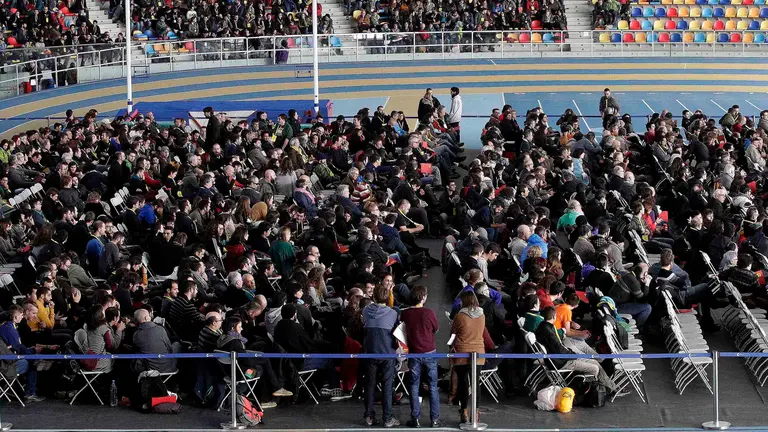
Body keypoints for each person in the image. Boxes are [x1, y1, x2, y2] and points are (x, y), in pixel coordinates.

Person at [536, 306, 627, 398]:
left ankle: (611, 388)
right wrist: (573, 354)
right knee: (594, 368)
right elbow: (560, 350)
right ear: (554, 317)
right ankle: (589, 393)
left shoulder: (542, 327)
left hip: (558, 359)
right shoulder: (549, 332)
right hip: (562, 361)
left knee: (595, 362)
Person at [399, 285, 441, 427]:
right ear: (423, 297)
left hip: (414, 353)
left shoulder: (406, 313)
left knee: (414, 385)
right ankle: (435, 420)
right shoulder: (429, 313)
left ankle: (415, 418)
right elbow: (436, 328)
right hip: (429, 352)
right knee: (433, 386)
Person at [362, 284, 399, 428]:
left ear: (374, 296)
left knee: (370, 385)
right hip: (387, 354)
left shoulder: (366, 311)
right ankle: (388, 418)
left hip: (370, 353)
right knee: (387, 386)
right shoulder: (393, 313)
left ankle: (369, 416)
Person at [449, 291, 485, 425]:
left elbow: (453, 334)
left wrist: (450, 345)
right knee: (476, 383)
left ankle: (464, 411)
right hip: (479, 352)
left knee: (463, 382)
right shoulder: (482, 315)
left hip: (462, 352)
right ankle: (476, 413)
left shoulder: (460, 316)